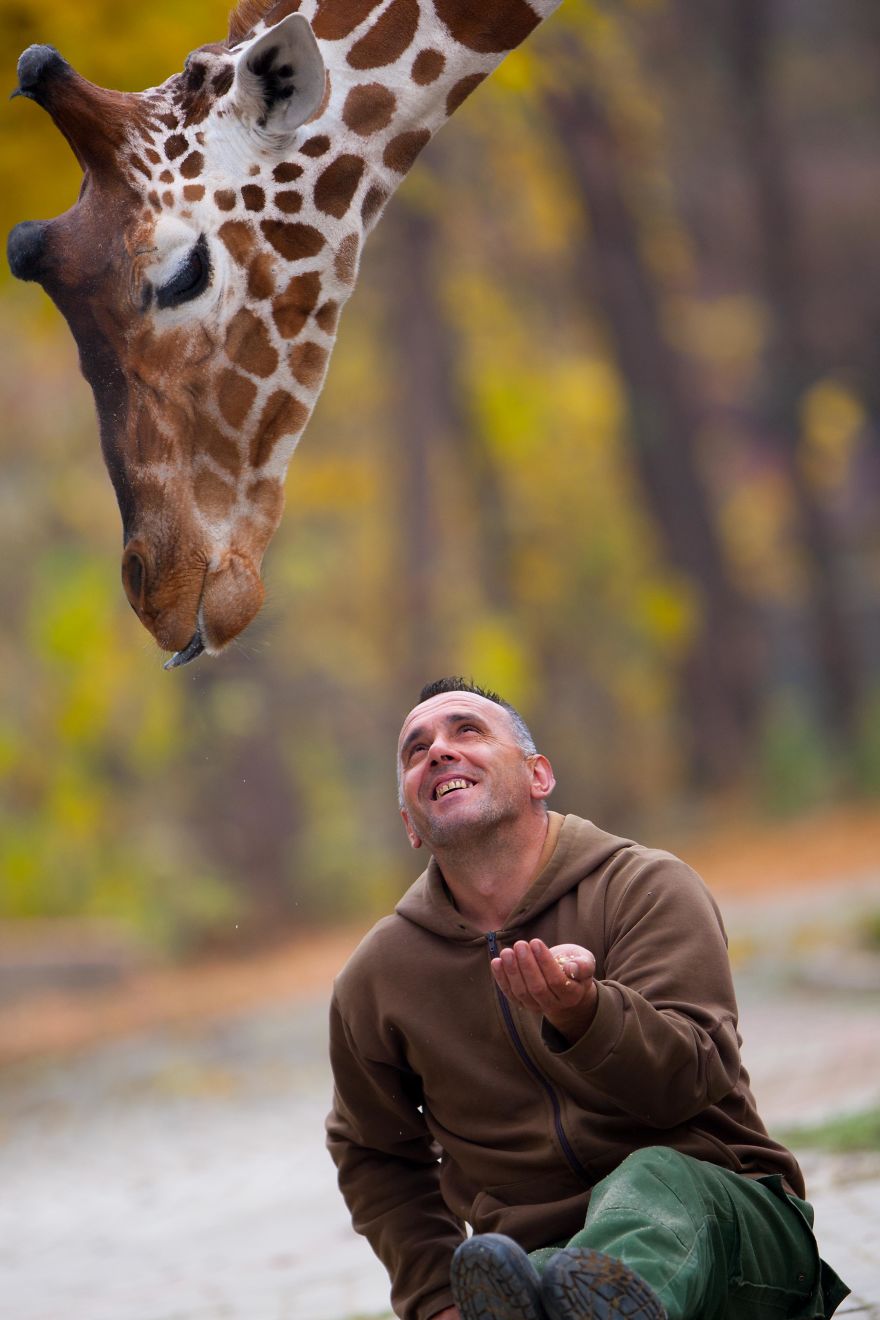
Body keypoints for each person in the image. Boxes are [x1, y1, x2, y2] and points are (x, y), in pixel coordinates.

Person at [326, 678, 849, 1320]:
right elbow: (373, 1151)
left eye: (467, 731)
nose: (438, 751)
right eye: (416, 750)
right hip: (548, 1259)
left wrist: (586, 1016)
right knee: (533, 1272)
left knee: (654, 1179)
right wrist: (436, 1300)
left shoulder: (646, 887)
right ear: (411, 822)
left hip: (732, 1228)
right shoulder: (377, 978)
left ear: (538, 775)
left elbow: (691, 1077)